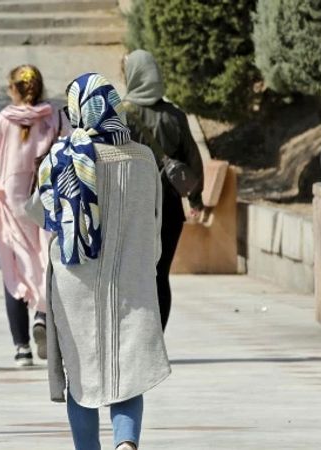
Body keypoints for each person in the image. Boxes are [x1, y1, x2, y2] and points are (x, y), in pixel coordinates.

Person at [26, 73, 170, 450]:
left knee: (81, 374)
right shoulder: (144, 158)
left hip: (76, 283)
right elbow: (156, 222)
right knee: (128, 370)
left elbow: (40, 215)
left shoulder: (61, 157)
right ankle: (126, 443)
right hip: (133, 279)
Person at [0, 64, 69, 367]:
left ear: (13, 89)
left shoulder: (1, 123)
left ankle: (22, 347)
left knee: (13, 270)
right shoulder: (56, 117)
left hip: (10, 207)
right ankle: (42, 315)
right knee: (45, 264)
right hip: (46, 202)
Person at [123, 49, 204, 331]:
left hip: (131, 206)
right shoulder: (176, 116)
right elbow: (192, 158)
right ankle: (156, 335)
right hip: (169, 207)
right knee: (160, 274)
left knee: (133, 273)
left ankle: (136, 334)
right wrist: (196, 198)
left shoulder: (121, 114)